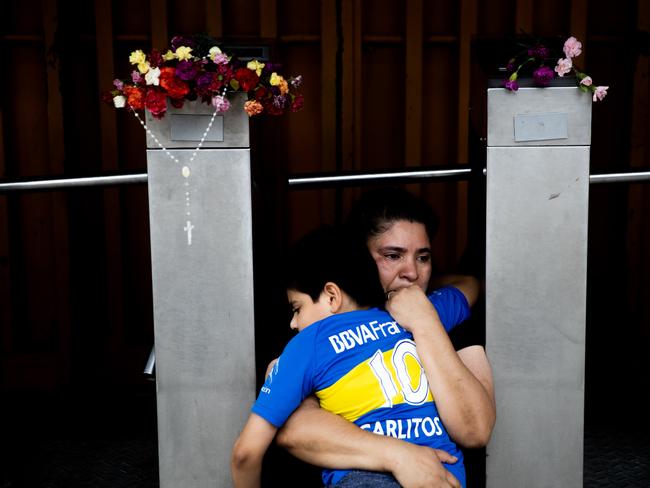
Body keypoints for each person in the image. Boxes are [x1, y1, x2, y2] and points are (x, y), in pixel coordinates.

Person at [275, 188, 496, 487]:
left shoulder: (448, 318)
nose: (412, 273)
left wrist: (423, 319)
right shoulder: (325, 325)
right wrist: (401, 456)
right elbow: (295, 428)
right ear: (359, 260)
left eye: (423, 257)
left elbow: (476, 430)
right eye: (393, 256)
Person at [231, 225, 471, 487]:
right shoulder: (419, 312)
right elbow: (469, 284)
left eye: (297, 308)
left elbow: (245, 454)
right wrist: (412, 294)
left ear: (332, 296)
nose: (293, 323)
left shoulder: (308, 343)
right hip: (445, 473)